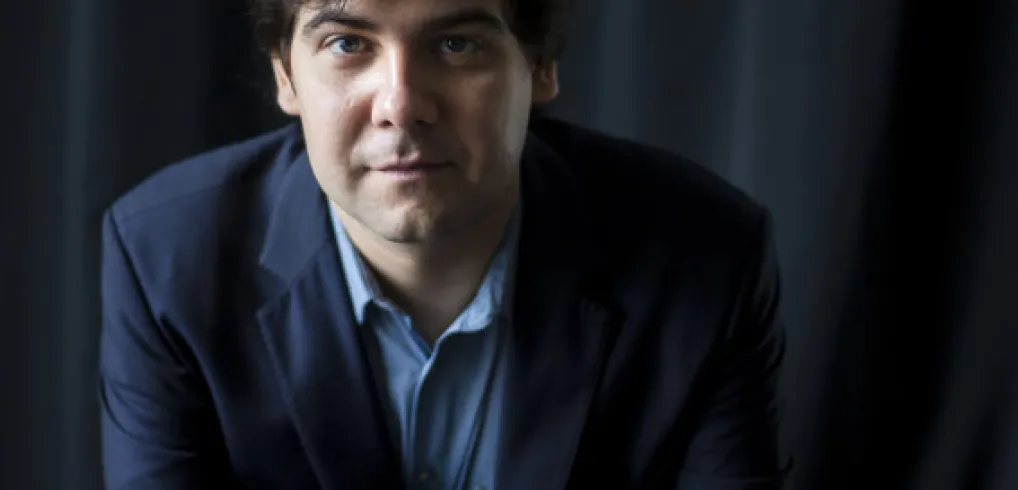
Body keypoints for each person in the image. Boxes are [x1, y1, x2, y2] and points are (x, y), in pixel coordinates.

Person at [97, 0, 792, 488]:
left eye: (456, 44)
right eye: (347, 44)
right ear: (286, 75)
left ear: (539, 66)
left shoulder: (707, 256)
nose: (401, 104)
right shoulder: (166, 257)